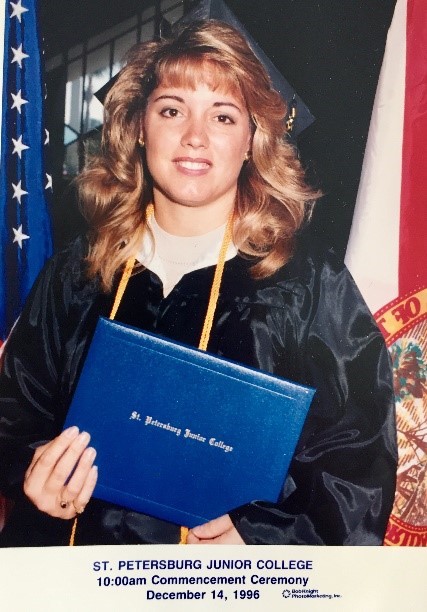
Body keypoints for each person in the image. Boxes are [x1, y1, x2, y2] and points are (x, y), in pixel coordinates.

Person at [0, 20, 397, 546]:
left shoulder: (305, 285)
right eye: (171, 109)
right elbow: (13, 415)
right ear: (140, 127)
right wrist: (34, 471)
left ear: (253, 139)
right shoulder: (78, 275)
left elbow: (358, 457)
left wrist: (265, 536)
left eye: (224, 116)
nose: (194, 136)